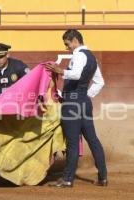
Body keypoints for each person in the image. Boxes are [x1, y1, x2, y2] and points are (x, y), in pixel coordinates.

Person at [45, 29, 108, 188]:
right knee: (93, 140)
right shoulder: (92, 57)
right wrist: (85, 94)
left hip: (72, 104)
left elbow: (76, 74)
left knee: (72, 142)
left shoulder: (79, 55)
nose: (67, 48)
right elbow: (100, 82)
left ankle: (67, 179)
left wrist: (60, 71)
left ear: (74, 40)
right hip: (84, 102)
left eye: (67, 44)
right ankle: (103, 177)